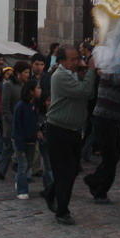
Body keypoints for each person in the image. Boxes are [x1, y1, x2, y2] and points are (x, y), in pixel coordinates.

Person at [42, 46, 97, 225]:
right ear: (61, 61)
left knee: (72, 170)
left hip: (73, 130)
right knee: (64, 171)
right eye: (72, 59)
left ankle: (51, 193)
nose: (75, 62)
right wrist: (91, 71)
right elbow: (84, 92)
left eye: (77, 58)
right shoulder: (60, 76)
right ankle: (62, 211)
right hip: (59, 129)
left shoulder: (74, 74)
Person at [84, 72, 120, 204]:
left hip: (115, 118)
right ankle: (100, 191)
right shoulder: (112, 68)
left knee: (114, 154)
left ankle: (94, 181)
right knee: (110, 156)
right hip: (105, 117)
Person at [13, 80, 53, 199]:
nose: (40, 90)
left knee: (28, 164)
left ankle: (19, 181)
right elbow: (18, 126)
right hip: (21, 141)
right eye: (37, 88)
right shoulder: (21, 106)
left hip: (32, 140)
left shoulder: (34, 105)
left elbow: (35, 122)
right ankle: (22, 190)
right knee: (23, 165)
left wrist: (37, 131)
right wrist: (19, 143)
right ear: (31, 91)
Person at [0, 61, 31, 180]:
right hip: (11, 123)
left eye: (28, 72)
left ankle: (23, 172)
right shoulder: (8, 85)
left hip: (24, 123)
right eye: (26, 72)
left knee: (22, 150)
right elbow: (5, 107)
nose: (28, 74)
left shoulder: (26, 85)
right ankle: (2, 169)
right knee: (8, 148)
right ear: (18, 73)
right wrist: (12, 121)